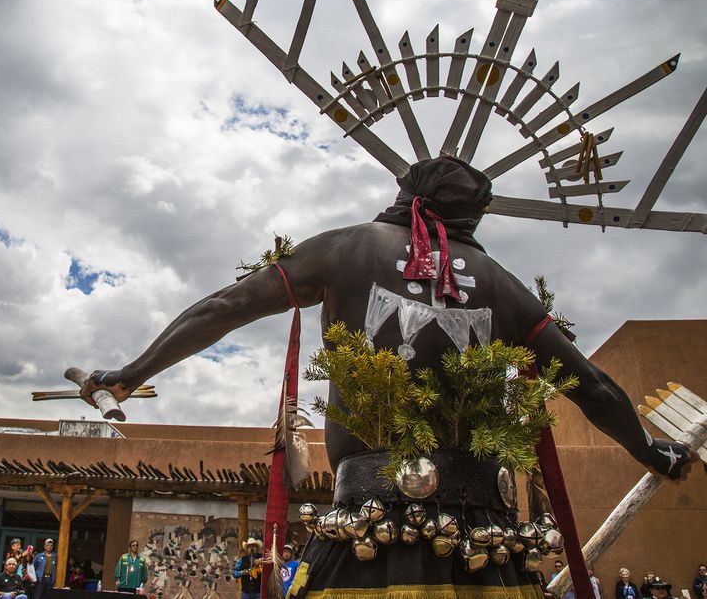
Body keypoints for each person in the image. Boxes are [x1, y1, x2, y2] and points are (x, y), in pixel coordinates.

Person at [81, 156, 694, 598]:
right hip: (484, 547)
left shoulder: (348, 249)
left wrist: (131, 374)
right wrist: (649, 452)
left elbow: (225, 307)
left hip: (370, 538)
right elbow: (591, 385)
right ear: (472, 214)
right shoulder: (501, 283)